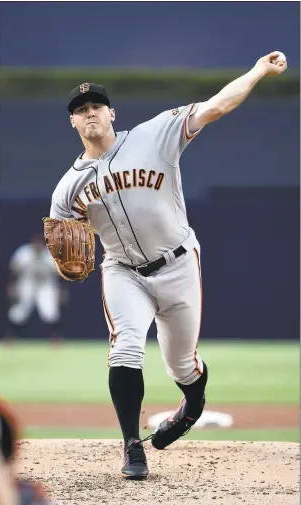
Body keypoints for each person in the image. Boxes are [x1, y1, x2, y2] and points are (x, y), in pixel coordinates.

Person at [49, 51, 287, 479]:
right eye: (80, 111)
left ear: (111, 113)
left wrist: (257, 70)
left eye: (96, 107)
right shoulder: (68, 187)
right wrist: (64, 260)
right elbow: (64, 244)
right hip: (122, 271)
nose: (89, 114)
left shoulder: (154, 134)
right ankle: (131, 447)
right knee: (125, 349)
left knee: (182, 365)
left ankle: (192, 404)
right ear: (72, 122)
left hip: (178, 264)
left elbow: (215, 106)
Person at [6, 233, 66, 343]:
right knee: (19, 311)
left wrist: (61, 290)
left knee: (50, 311)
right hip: (27, 283)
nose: (38, 246)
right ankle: (11, 338)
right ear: (32, 244)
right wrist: (12, 286)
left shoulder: (51, 255)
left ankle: (55, 339)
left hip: (46, 284)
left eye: (40, 244)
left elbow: (60, 275)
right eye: (36, 244)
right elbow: (14, 271)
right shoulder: (24, 253)